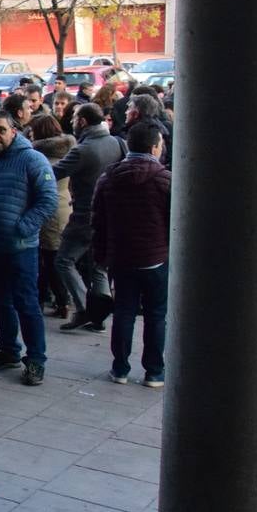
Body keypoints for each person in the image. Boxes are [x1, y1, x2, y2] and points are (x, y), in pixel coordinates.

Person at [0, 111, 58, 386]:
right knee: (1, 301)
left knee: (26, 303)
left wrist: (22, 227)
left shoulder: (32, 159)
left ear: (13, 131)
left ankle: (36, 359)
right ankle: (9, 350)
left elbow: (47, 200)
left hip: (21, 248)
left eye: (0, 130)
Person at [91, 120, 170, 386]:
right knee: (156, 315)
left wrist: (101, 255)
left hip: (121, 259)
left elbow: (98, 221)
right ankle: (154, 372)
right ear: (155, 147)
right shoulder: (164, 180)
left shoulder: (109, 178)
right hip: (155, 260)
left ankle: (120, 369)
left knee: (123, 312)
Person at [52, 103, 126, 333]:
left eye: (74, 117)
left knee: (64, 260)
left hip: (85, 217)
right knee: (99, 268)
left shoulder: (82, 150)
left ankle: (86, 309)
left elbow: (54, 173)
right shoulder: (117, 142)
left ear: (83, 121)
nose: (72, 121)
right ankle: (99, 316)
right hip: (111, 216)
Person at [29, 114, 75, 319]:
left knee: (45, 259)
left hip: (45, 210)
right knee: (54, 256)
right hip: (64, 206)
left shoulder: (38, 156)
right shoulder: (69, 151)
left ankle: (51, 300)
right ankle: (62, 301)